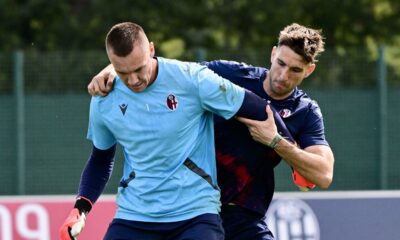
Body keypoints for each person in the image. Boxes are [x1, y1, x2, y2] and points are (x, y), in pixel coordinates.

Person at [87, 23, 335, 240]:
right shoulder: (230, 74)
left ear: (309, 70)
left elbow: (323, 174)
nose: (282, 75)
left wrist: (276, 142)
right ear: (272, 54)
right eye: (280, 63)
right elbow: (165, 72)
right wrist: (112, 70)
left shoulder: (306, 111)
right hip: (190, 207)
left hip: (241, 215)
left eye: (295, 70)